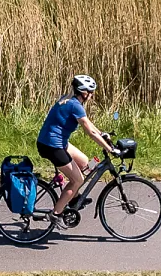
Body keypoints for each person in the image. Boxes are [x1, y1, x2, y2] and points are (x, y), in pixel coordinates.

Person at [36, 75, 118, 222]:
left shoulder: (70, 100)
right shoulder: (74, 105)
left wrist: (102, 134)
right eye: (90, 92)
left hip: (57, 142)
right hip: (51, 146)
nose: (92, 96)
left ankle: (74, 199)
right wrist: (110, 149)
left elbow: (89, 124)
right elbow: (90, 132)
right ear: (84, 93)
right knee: (77, 180)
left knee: (85, 163)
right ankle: (55, 214)